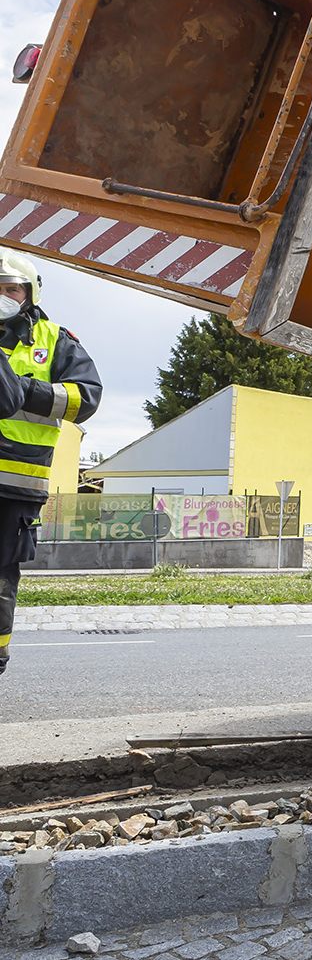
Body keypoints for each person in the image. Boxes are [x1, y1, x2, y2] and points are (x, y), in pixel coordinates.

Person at [0, 251, 100, 676]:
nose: (2, 297)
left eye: (10, 289)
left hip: (17, 486)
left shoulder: (53, 339)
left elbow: (86, 397)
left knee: (1, 577)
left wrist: (24, 389)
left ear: (29, 293)